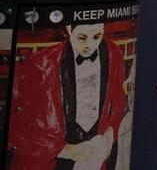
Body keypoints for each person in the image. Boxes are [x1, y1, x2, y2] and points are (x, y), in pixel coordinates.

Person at [10, 22, 128, 169]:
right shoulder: (40, 64)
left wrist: (111, 131)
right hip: (52, 162)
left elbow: (118, 100)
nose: (89, 45)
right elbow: (16, 127)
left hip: (96, 160)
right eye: (82, 38)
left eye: (97, 36)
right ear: (68, 29)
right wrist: (66, 150)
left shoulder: (113, 54)